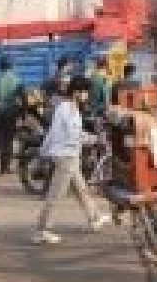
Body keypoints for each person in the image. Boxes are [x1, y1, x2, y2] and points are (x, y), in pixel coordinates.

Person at [32, 77, 111, 245]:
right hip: (65, 156)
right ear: (76, 92)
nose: (86, 95)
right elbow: (73, 135)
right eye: (84, 91)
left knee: (81, 189)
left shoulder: (71, 108)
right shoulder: (67, 109)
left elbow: (56, 133)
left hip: (71, 155)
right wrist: (95, 139)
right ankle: (42, 230)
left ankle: (94, 217)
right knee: (56, 194)